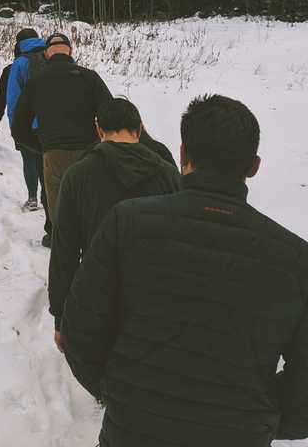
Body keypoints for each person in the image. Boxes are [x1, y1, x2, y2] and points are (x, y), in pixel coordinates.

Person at [61, 94, 308, 447]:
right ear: (253, 166)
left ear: (182, 154)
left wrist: (119, 392)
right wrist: (265, 419)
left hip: (132, 431)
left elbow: (81, 330)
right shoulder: (296, 259)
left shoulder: (126, 224)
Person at [49, 97, 180, 351]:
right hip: (157, 298)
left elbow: (64, 251)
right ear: (139, 130)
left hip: (100, 297)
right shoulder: (167, 173)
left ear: (99, 130)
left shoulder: (77, 176)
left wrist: (61, 317)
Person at [11, 32, 112, 223]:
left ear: (47, 54)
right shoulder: (90, 77)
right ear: (71, 51)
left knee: (61, 219)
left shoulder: (35, 82)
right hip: (88, 154)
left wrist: (42, 146)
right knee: (90, 212)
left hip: (53, 154)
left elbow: (18, 128)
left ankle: (63, 246)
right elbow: (111, 115)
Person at [5, 28, 52, 244]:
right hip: (53, 126)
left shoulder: (20, 64)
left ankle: (33, 198)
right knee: (49, 166)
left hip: (29, 126)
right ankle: (52, 203)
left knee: (29, 161)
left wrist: (15, 127)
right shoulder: (50, 56)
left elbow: (13, 99)